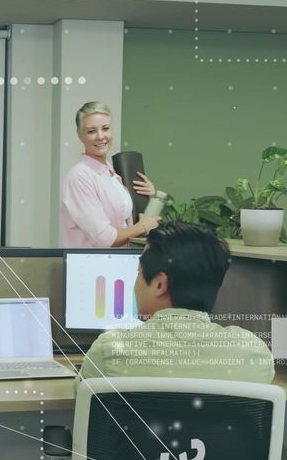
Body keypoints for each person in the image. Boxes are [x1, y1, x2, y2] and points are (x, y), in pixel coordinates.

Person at [80, 222, 274, 383]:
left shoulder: (109, 352)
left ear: (159, 284)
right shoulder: (254, 354)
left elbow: (82, 400)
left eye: (139, 272)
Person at [59, 101, 162, 248]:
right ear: (80, 135)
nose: (101, 136)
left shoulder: (111, 174)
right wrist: (143, 226)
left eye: (105, 128)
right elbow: (103, 238)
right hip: (89, 267)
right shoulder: (79, 177)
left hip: (115, 263)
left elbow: (127, 225)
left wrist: (150, 197)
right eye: (91, 131)